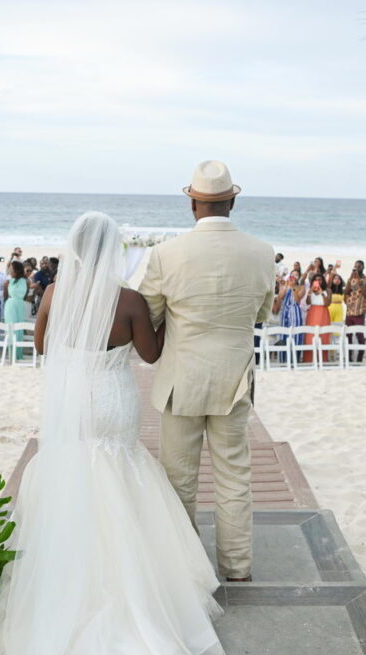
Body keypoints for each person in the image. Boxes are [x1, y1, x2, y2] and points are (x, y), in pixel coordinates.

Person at [0, 212, 223, 655]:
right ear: (114, 249)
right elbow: (151, 354)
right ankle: (131, 585)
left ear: (75, 248)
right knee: (120, 471)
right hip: (114, 398)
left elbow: (41, 345)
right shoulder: (131, 301)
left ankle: (70, 581)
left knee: (74, 472)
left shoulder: (56, 294)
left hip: (74, 398)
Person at [140, 160, 274, 583]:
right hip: (235, 378)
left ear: (193, 204)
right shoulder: (262, 252)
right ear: (233, 200)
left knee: (178, 479)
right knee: (234, 475)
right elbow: (261, 314)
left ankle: (186, 570)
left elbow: (151, 316)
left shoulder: (165, 254)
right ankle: (236, 567)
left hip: (182, 381)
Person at [344, 260, 366, 363]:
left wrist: (359, 282)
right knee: (348, 336)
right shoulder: (351, 279)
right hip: (349, 311)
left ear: (363, 267)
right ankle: (349, 358)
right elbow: (346, 292)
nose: (357, 269)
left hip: (360, 311)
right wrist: (350, 280)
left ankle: (360, 357)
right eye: (355, 267)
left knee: (360, 335)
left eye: (359, 267)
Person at [3, 260, 30, 360]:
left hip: (18, 305)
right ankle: (11, 354)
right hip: (10, 306)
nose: (10, 271)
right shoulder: (10, 280)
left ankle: (18, 354)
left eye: (11, 269)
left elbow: (21, 294)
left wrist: (8, 285)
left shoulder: (24, 281)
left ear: (16, 270)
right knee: (10, 328)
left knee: (18, 329)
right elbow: (7, 294)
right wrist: (6, 286)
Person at [302, 273, 332, 362]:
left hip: (323, 312)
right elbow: (308, 302)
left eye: (320, 279)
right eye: (316, 280)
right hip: (312, 312)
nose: (318, 281)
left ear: (323, 281)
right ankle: (308, 360)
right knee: (310, 336)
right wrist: (310, 292)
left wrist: (321, 292)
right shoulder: (311, 290)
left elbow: (327, 303)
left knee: (323, 335)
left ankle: (322, 360)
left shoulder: (327, 290)